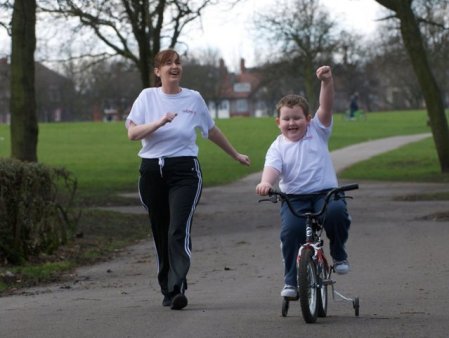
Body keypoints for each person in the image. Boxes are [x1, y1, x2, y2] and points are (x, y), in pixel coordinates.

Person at [126, 49, 250, 310]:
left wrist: (235, 154)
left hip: (185, 172)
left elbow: (211, 130)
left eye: (178, 62)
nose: (174, 66)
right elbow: (132, 133)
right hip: (152, 172)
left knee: (177, 229)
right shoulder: (147, 97)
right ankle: (166, 288)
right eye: (168, 63)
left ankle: (177, 287)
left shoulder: (193, 99)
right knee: (161, 232)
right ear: (157, 71)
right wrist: (158, 123)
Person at [255, 66, 352, 299]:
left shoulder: (317, 131)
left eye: (297, 118)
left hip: (325, 194)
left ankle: (338, 253)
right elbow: (272, 168)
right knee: (291, 233)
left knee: (337, 213)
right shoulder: (277, 146)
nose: (292, 123)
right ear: (278, 122)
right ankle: (291, 281)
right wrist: (265, 183)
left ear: (308, 119)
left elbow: (326, 107)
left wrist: (326, 82)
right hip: (294, 199)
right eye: (286, 119)